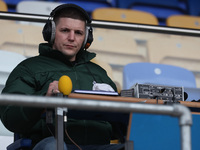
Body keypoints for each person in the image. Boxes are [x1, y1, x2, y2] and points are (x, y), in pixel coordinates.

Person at [0, 3, 125, 150]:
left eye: (78, 33)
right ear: (51, 32)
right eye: (65, 30)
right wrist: (43, 100)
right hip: (51, 144)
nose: (72, 38)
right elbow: (11, 117)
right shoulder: (29, 68)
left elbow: (119, 130)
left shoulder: (99, 73)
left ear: (86, 38)